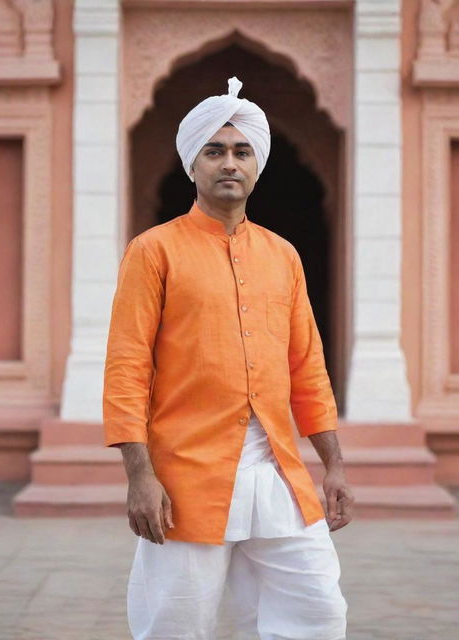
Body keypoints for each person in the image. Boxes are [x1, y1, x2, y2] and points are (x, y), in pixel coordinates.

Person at [102, 76, 353, 640]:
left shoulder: (281, 255)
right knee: (177, 620)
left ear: (258, 164)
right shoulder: (154, 250)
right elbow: (127, 367)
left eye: (241, 151)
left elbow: (306, 365)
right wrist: (139, 477)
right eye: (214, 151)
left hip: (277, 472)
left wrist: (333, 464)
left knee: (317, 612)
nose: (229, 163)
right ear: (193, 164)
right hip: (187, 473)